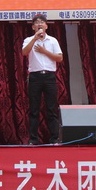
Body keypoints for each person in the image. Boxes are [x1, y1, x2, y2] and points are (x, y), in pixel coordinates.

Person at [22, 14, 63, 145]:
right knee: (34, 109)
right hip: (35, 77)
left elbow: (59, 58)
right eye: (37, 23)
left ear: (46, 26)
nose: (39, 24)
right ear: (33, 27)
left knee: (51, 109)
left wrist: (44, 51)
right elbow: (24, 52)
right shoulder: (28, 40)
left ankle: (54, 139)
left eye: (42, 22)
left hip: (49, 77)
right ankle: (33, 139)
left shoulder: (52, 41)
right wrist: (35, 39)